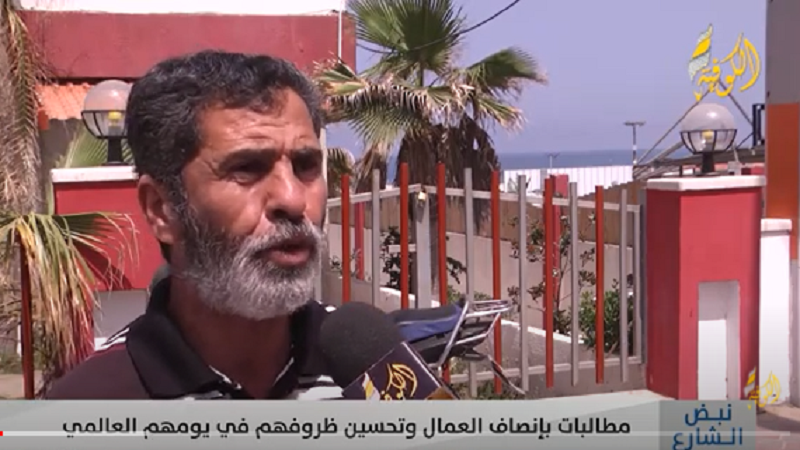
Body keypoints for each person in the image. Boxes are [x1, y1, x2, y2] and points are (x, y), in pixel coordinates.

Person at [44, 50, 340, 400]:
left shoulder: (376, 372)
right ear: (161, 209)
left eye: (305, 165)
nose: (293, 200)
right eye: (247, 168)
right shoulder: (88, 405)